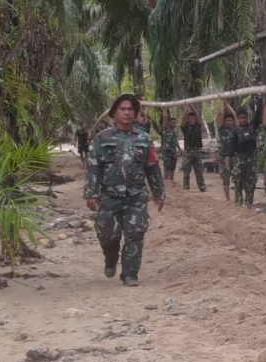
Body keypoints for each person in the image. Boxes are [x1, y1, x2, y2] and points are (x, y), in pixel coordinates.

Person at [84, 94, 165, 287]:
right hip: (109, 196)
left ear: (135, 114)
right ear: (114, 113)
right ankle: (111, 257)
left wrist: (159, 192)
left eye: (130, 109)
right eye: (122, 109)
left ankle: (130, 274)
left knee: (135, 234)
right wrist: (91, 192)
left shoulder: (144, 139)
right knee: (107, 235)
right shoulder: (102, 138)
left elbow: (152, 167)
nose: (127, 112)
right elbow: (93, 166)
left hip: (136, 196)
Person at [230, 104, 261, 206]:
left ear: (247, 117)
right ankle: (238, 204)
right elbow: (232, 147)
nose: (242, 119)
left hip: (251, 159)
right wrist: (228, 161)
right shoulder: (236, 130)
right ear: (237, 119)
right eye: (240, 118)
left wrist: (259, 102)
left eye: (244, 117)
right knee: (238, 182)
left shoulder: (252, 127)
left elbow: (257, 115)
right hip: (239, 159)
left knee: (251, 183)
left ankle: (249, 204)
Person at [181, 107, 206, 191]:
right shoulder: (185, 127)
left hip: (197, 151)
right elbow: (183, 119)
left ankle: (202, 187)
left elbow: (198, 116)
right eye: (191, 118)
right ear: (188, 119)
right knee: (186, 171)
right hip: (188, 152)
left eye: (194, 119)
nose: (193, 120)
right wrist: (186, 108)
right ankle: (186, 187)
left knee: (199, 171)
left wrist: (191, 106)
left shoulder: (197, 126)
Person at [217, 107, 236, 201]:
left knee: (237, 178)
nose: (229, 122)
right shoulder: (222, 130)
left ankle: (238, 198)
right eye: (227, 121)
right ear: (224, 122)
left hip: (235, 157)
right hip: (223, 158)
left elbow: (235, 115)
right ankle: (227, 198)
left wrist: (228, 105)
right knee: (225, 179)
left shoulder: (236, 130)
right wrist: (223, 104)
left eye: (230, 120)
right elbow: (220, 116)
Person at [159, 115, 181, 183]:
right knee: (167, 168)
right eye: (172, 122)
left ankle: (171, 181)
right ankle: (166, 182)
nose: (174, 124)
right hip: (167, 153)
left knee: (172, 168)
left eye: (175, 123)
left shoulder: (173, 132)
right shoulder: (166, 130)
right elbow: (164, 121)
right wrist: (165, 111)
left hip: (173, 153)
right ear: (169, 123)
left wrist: (180, 150)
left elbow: (175, 142)